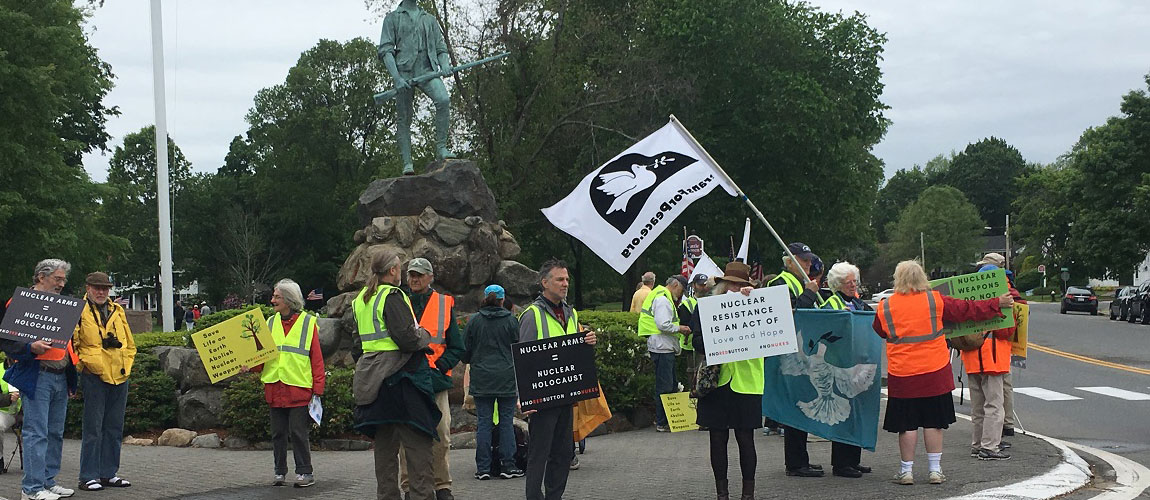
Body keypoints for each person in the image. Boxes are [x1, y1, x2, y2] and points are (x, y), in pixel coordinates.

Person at [873, 260, 1013, 486]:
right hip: (934, 371)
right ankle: (935, 470)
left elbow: (879, 330)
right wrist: (997, 302)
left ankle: (906, 471)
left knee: (906, 426)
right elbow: (967, 310)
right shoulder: (935, 300)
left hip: (903, 374)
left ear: (897, 279)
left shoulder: (885, 306)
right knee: (933, 423)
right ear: (922, 278)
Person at [352, 249, 439, 500]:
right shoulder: (392, 295)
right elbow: (407, 339)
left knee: (385, 449)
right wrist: (424, 335)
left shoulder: (361, 299)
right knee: (418, 446)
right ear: (392, 271)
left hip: (373, 381)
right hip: (402, 379)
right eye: (399, 268)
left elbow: (358, 344)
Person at [518, 259, 597, 500]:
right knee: (539, 453)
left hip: (566, 396)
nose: (565, 284)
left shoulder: (571, 313)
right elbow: (523, 360)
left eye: (567, 280)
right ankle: (534, 496)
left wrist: (587, 341)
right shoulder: (532, 315)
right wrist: (524, 398)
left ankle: (555, 496)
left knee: (563, 453)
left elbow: (573, 348)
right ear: (544, 283)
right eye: (559, 280)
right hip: (542, 398)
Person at [3, 259, 78, 500]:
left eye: (63, 279)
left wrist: (71, 378)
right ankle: (32, 488)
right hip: (38, 376)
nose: (61, 283)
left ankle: (47, 481)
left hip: (60, 375)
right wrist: (29, 348)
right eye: (58, 278)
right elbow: (7, 342)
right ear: (41, 277)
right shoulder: (21, 302)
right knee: (37, 432)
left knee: (55, 432)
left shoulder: (62, 305)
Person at [399, 258, 465, 500]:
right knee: (407, 437)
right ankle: (409, 487)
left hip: (434, 382)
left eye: (419, 275)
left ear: (430, 277)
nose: (414, 279)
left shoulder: (444, 304)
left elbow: (457, 347)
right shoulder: (398, 301)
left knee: (441, 434)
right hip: (406, 379)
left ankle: (442, 486)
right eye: (411, 275)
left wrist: (439, 366)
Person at [693, 261, 760, 500]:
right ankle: (722, 493)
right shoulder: (706, 308)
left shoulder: (757, 303)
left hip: (747, 382)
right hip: (717, 382)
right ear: (722, 285)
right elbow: (697, 342)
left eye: (740, 284)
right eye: (731, 283)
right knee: (718, 437)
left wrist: (751, 300)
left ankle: (748, 494)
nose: (734, 288)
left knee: (745, 438)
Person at [251, 279, 325, 488]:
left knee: (298, 433)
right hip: (275, 387)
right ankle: (279, 472)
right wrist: (249, 366)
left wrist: (318, 389)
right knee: (278, 434)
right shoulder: (269, 322)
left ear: (289, 300)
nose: (272, 300)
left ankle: (305, 472)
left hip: (298, 387)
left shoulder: (308, 323)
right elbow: (261, 357)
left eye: (277, 297)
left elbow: (316, 359)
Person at [765, 243, 825, 478]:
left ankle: (801, 459)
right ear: (788, 261)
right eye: (803, 259)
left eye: (810, 260)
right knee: (795, 408)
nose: (808, 264)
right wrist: (809, 294)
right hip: (788, 355)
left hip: (804, 353)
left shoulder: (800, 282)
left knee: (803, 407)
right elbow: (788, 316)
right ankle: (795, 463)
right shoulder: (778, 283)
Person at [74, 272, 137, 493]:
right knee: (93, 428)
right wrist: (85, 365)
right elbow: (73, 342)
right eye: (96, 288)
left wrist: (127, 364)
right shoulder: (77, 310)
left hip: (119, 374)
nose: (101, 292)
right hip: (94, 375)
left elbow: (129, 343)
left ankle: (108, 473)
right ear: (88, 287)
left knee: (114, 427)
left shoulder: (117, 310)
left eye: (105, 288)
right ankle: (88, 476)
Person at [378, 0, 454, 175]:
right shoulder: (392, 19)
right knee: (404, 117)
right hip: (404, 72)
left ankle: (441, 148)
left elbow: (441, 47)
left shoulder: (429, 19)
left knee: (443, 99)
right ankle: (407, 163)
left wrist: (445, 65)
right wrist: (396, 78)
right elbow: (386, 51)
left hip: (427, 69)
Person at [461, 285, 524, 480]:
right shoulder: (511, 321)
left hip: (481, 379)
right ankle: (508, 465)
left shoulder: (474, 321)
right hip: (506, 377)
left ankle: (483, 468)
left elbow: (465, 352)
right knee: (506, 422)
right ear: (502, 300)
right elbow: (519, 349)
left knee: (484, 423)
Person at [819, 262, 873, 478]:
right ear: (837, 284)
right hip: (840, 365)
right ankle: (841, 464)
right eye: (848, 282)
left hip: (858, 364)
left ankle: (853, 459)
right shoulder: (831, 303)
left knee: (856, 414)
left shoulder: (858, 303)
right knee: (843, 415)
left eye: (854, 281)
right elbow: (826, 331)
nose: (853, 285)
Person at [962, 264, 1016, 461]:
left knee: (977, 408)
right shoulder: (1002, 302)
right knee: (994, 406)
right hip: (993, 360)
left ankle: (977, 445)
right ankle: (989, 446)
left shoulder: (970, 301)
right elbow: (1006, 331)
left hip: (971, 359)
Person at [638, 276, 689, 432]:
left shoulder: (660, 296)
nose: (681, 294)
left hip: (662, 347)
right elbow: (663, 324)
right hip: (662, 347)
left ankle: (668, 420)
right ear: (675, 285)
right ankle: (662, 422)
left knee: (669, 385)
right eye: (681, 290)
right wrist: (680, 328)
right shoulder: (663, 300)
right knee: (665, 386)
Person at [0, 361, 20, 473]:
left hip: (27, 412)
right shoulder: (0, 369)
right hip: (6, 411)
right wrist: (8, 398)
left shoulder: (32, 367)